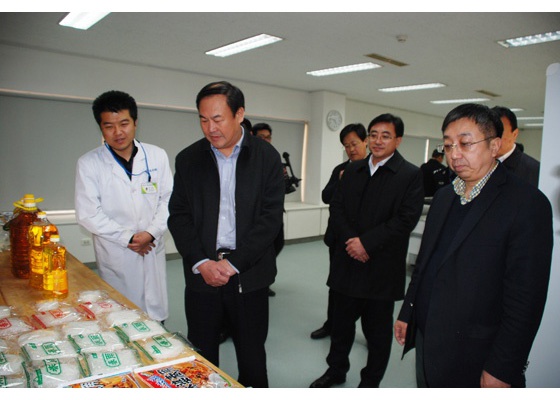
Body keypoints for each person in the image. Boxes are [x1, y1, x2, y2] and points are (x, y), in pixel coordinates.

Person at [394, 103, 553, 388]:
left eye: (465, 143)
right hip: (428, 338)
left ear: (494, 146)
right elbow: (425, 264)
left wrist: (503, 367)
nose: (454, 154)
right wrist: (409, 311)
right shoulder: (444, 197)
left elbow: (526, 300)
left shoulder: (527, 204)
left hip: (476, 351)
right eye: (448, 145)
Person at [167, 81, 285, 388]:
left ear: (239, 114)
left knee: (252, 356)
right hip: (202, 275)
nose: (210, 128)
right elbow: (179, 216)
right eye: (203, 120)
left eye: (218, 119)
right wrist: (201, 262)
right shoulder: (189, 159)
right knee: (202, 358)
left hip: (250, 274)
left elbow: (270, 220)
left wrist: (233, 264)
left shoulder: (266, 157)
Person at [310, 114, 424, 388]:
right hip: (347, 263)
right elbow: (337, 207)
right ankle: (336, 371)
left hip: (380, 268)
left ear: (398, 140)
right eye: (373, 135)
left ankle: (370, 383)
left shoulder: (409, 175)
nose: (378, 141)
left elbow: (405, 219)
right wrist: (352, 241)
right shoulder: (353, 170)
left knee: (377, 334)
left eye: (386, 136)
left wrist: (366, 243)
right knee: (340, 327)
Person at [75, 90, 173, 322]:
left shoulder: (157, 156)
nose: (118, 132)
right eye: (109, 126)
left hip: (151, 245)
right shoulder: (89, 163)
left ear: (135, 123)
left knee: (155, 315)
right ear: (101, 128)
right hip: (116, 251)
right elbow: (88, 213)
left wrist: (150, 233)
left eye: (124, 124)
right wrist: (129, 238)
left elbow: (169, 200)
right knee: (121, 316)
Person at [310, 122, 368, 340]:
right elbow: (326, 196)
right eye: (346, 146)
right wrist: (341, 182)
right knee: (336, 284)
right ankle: (331, 324)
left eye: (355, 143)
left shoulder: (375, 171)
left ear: (365, 142)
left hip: (366, 241)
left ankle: (367, 331)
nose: (351, 149)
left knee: (365, 289)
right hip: (339, 239)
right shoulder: (341, 170)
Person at [492, 105, 540, 186]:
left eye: (500, 134)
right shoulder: (476, 163)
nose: (493, 140)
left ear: (514, 134)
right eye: (489, 133)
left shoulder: (534, 170)